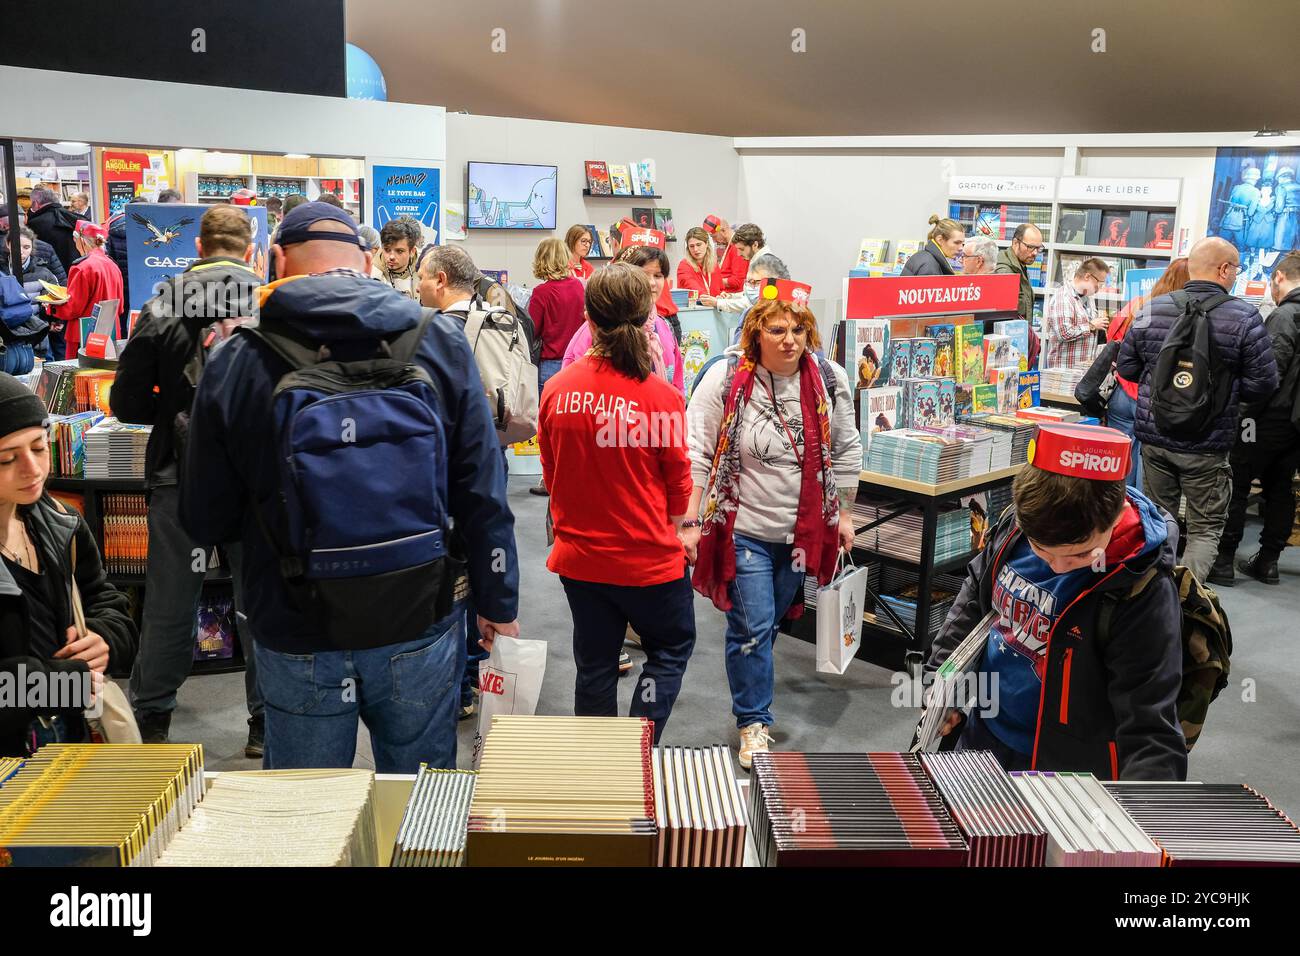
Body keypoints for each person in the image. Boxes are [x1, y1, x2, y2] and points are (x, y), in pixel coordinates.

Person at [179, 202, 520, 772]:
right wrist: (498, 600)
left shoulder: (238, 358)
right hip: (419, 612)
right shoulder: (438, 341)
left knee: (308, 814)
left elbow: (203, 515)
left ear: (275, 259)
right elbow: (482, 488)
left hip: (296, 622)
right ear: (366, 261)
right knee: (420, 804)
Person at [927, 423, 1186, 780]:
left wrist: (1141, 815)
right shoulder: (1016, 529)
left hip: (1070, 773)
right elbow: (974, 601)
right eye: (1042, 550)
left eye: (1080, 556)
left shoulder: (1143, 589)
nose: (1058, 566)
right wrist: (941, 683)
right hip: (984, 739)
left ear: (1115, 514)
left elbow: (1150, 727)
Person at [110, 205, 266, 754]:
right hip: (256, 480)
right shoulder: (268, 305)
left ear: (197, 248)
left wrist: (176, 406)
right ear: (250, 252)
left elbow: (125, 401)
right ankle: (264, 724)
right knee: (259, 600)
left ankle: (152, 718)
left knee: (171, 602)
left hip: (179, 474)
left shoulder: (163, 303)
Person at [686, 288, 861, 769]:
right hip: (743, 529)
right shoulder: (725, 378)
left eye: (798, 329)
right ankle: (753, 722)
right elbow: (697, 451)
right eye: (776, 329)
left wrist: (845, 514)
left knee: (771, 623)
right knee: (752, 623)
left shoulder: (829, 378)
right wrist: (690, 519)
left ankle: (751, 687)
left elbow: (846, 449)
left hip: (804, 535)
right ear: (755, 332)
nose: (789, 340)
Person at [539, 263, 696, 741]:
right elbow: (679, 489)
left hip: (581, 561)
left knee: (594, 665)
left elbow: (552, 477)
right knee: (669, 649)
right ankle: (639, 742)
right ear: (649, 315)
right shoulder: (662, 397)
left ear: (587, 316)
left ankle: (597, 762)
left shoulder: (556, 390)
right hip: (649, 560)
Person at [1116, 237, 1279, 582]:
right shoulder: (1245, 317)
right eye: (1235, 268)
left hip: (1156, 436)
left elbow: (1126, 368)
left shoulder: (1150, 309)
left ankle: (1151, 597)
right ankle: (1185, 607)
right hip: (1209, 443)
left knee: (1158, 519)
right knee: (1205, 529)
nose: (1236, 275)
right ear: (1223, 269)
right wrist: (1223, 397)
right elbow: (1264, 382)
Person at [0, 373, 137, 756]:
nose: (32, 469)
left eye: (39, 448)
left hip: (71, 737)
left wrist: (104, 639)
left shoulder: (59, 519)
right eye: (7, 458)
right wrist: (70, 682)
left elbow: (106, 600)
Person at [414, 243, 519, 718]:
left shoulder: (431, 334)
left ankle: (456, 688)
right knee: (486, 541)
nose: (416, 286)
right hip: (490, 447)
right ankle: (479, 668)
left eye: (420, 276)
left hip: (441, 469)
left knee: (450, 573)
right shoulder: (500, 319)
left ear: (439, 279)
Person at [1211, 251, 1300, 587]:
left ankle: (1222, 561)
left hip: (1262, 421)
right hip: (1294, 425)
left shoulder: (1284, 316)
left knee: (1236, 483)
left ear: (1278, 278)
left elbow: (1266, 376)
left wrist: (1241, 417)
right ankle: (1269, 561)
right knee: (1280, 488)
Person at [1105, 257, 1190, 490]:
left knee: (1118, 461)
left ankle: (1116, 515)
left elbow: (1113, 337)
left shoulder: (1138, 304)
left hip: (1121, 392)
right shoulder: (1183, 314)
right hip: (1151, 397)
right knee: (1146, 463)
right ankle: (1141, 520)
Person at [564, 245, 684, 393]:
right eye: (644, 274)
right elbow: (571, 379)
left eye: (658, 276)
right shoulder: (598, 325)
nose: (652, 283)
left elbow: (677, 382)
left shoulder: (664, 326)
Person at [49, 220, 123, 360]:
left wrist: (52, 307)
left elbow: (73, 308)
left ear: (81, 241)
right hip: (110, 332)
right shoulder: (113, 265)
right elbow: (120, 307)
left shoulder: (81, 267)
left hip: (83, 335)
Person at [1042, 257, 1110, 369]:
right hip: (1064, 372)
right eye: (1099, 283)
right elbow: (1064, 333)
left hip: (1081, 370)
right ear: (1087, 277)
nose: (1100, 288)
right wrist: (1092, 325)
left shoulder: (1088, 298)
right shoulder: (1063, 297)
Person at [997, 223, 1045, 367]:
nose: (1035, 253)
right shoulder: (1005, 271)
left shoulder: (1020, 265)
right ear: (1015, 242)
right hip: (1007, 350)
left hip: (1019, 346)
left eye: (1038, 248)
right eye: (1030, 247)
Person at [25, 187, 81, 275]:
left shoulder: (35, 224)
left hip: (53, 274)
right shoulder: (74, 217)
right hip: (79, 270)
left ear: (35, 203)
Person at [371, 216, 423, 300]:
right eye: (387, 250)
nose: (391, 257)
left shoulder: (425, 269)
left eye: (399, 251)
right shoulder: (371, 275)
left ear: (412, 252)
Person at [676, 226, 721, 306]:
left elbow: (720, 289)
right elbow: (693, 289)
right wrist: (711, 299)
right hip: (695, 310)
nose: (695, 249)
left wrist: (723, 295)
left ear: (706, 244)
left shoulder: (714, 264)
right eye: (692, 246)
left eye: (699, 245)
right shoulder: (684, 265)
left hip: (714, 308)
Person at [703, 215, 749, 293]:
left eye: (714, 236)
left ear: (723, 231)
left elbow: (737, 281)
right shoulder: (728, 246)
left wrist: (713, 280)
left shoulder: (736, 247)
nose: (714, 241)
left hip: (733, 298)